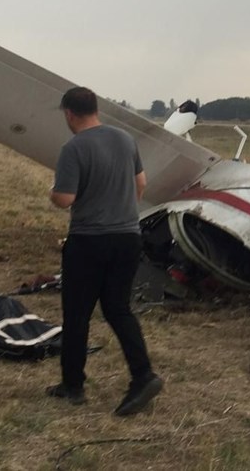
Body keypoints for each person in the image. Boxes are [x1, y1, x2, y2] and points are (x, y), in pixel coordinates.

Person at [49, 86, 163, 416]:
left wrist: (52, 193)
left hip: (88, 241)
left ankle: (73, 386)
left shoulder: (73, 148)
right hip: (128, 237)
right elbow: (141, 183)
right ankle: (143, 376)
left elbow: (65, 198)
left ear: (69, 114)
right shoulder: (125, 140)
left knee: (77, 314)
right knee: (118, 309)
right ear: (96, 110)